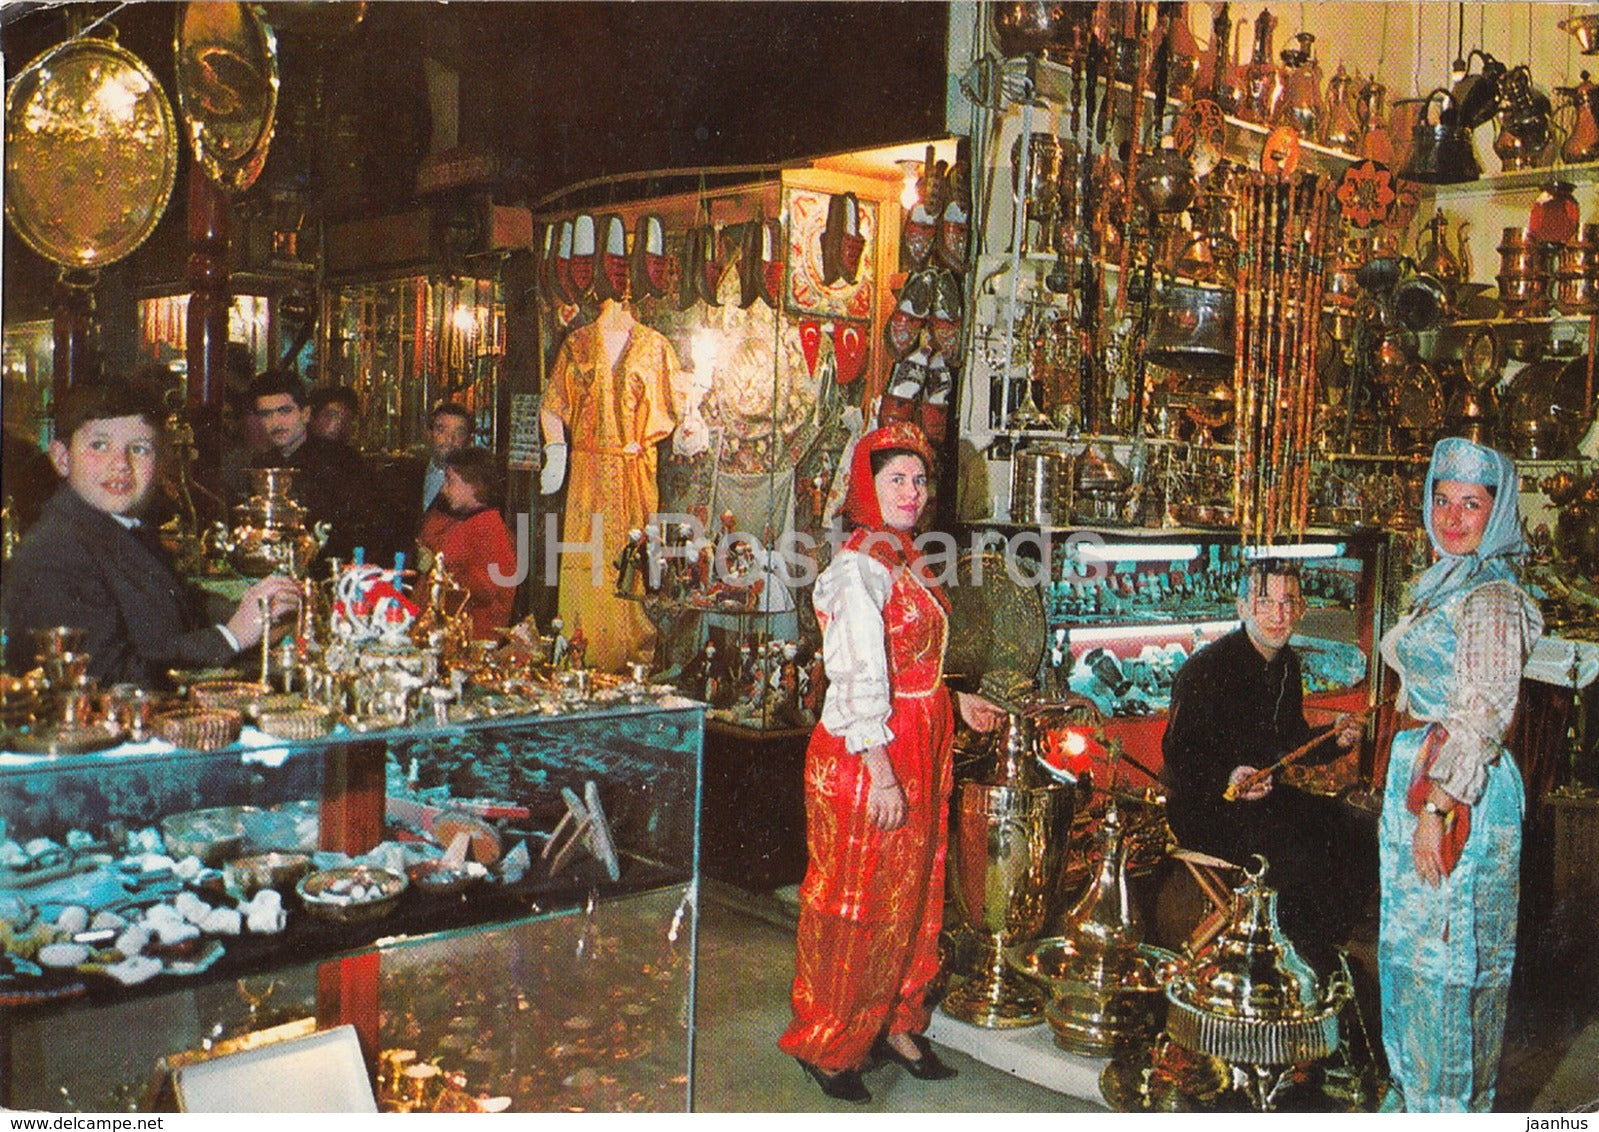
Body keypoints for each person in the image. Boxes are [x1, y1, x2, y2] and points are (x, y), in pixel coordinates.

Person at [777, 422, 1003, 1104]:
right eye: (895, 479)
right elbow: (855, 677)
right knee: (856, 901)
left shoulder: (903, 556)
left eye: (918, 479)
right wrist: (879, 771)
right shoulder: (856, 568)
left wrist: (952, 699)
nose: (910, 491)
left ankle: (899, 1021)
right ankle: (829, 1038)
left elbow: (904, 657)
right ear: (866, 487)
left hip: (918, 733)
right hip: (867, 751)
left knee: (917, 892)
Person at [1376, 437, 1542, 1113]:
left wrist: (1436, 806)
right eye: (1440, 500)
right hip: (1421, 779)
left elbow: (1480, 712)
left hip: (1455, 792)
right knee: (1411, 955)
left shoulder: (1492, 596)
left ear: (1497, 511)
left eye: (1470, 503)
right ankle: (1416, 1096)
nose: (1451, 516)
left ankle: (1445, 1111)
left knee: (1448, 959)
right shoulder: (1446, 579)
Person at [2, 381, 299, 688]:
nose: (120, 464)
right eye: (99, 445)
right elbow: (108, 677)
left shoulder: (118, 526)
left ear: (158, 465)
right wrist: (232, 636)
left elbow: (182, 601)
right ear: (62, 458)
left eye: (139, 449)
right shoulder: (54, 549)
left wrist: (259, 612)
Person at [1161, 557, 1370, 973]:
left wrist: (1334, 740)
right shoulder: (1206, 668)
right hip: (1203, 807)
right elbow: (1178, 754)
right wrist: (1228, 776)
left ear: (1303, 607)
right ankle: (1291, 960)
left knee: (1356, 831)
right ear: (1242, 609)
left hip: (1261, 801)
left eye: (1288, 603)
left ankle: (1320, 944)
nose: (1279, 615)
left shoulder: (1287, 664)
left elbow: (1291, 743)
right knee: (1297, 851)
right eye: (1265, 603)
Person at [249, 371, 378, 566]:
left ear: (306, 414)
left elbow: (363, 533)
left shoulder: (342, 461)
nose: (276, 423)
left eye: (285, 411)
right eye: (266, 414)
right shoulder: (260, 466)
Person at [414, 446, 517, 640]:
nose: (443, 489)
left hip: (469, 641)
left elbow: (487, 590)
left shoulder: (486, 528)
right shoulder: (474, 523)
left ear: (474, 485)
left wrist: (437, 569)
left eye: (450, 481)